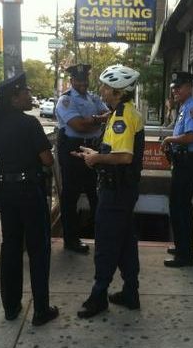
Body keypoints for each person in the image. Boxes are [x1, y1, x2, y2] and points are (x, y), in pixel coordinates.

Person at [0, 72, 58, 326]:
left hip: (6, 192)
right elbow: (47, 159)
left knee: (11, 248)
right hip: (30, 192)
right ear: (14, 98)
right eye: (25, 91)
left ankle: (11, 307)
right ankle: (41, 310)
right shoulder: (29, 124)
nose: (30, 95)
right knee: (38, 250)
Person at [73, 65, 144, 319]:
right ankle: (130, 292)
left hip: (116, 192)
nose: (101, 90)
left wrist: (96, 160)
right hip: (122, 190)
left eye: (104, 86)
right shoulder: (121, 112)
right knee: (125, 242)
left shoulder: (123, 116)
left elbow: (124, 157)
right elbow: (114, 152)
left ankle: (98, 295)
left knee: (105, 244)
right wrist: (95, 155)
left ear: (116, 91)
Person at [55, 63, 109, 254]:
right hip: (72, 149)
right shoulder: (66, 101)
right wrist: (97, 120)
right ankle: (71, 240)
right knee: (71, 196)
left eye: (84, 80)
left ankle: (102, 237)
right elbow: (78, 126)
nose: (82, 84)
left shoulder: (93, 97)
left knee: (97, 193)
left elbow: (108, 115)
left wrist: (92, 121)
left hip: (93, 147)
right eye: (78, 80)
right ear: (71, 81)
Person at [161, 71, 193, 268]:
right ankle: (182, 246)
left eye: (179, 87)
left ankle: (186, 255)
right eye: (173, 88)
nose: (175, 91)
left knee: (180, 208)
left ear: (189, 87)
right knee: (177, 206)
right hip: (182, 162)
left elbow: (190, 137)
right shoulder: (183, 108)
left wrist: (169, 139)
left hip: (189, 163)